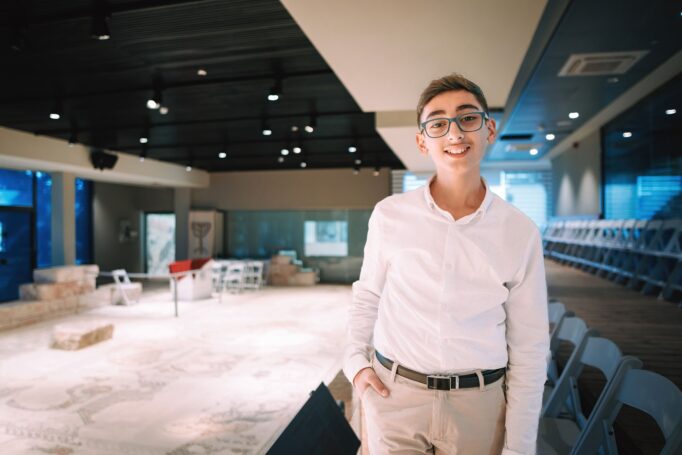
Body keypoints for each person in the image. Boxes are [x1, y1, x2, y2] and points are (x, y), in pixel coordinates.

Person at [343, 73, 549, 455]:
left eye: (467, 118)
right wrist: (355, 361)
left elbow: (530, 347)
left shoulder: (520, 232)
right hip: (395, 396)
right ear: (423, 141)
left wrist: (520, 447)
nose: (454, 133)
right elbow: (367, 294)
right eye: (438, 124)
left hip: (479, 406)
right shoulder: (389, 214)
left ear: (489, 129)